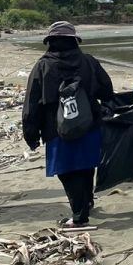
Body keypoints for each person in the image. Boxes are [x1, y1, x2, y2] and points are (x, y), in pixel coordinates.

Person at [22, 21, 115, 229]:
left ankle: (79, 216)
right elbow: (106, 90)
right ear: (74, 41)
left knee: (66, 171)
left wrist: (31, 134)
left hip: (56, 128)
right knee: (85, 165)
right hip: (89, 123)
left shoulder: (43, 66)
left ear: (50, 43)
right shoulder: (89, 62)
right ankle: (87, 201)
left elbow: (31, 103)